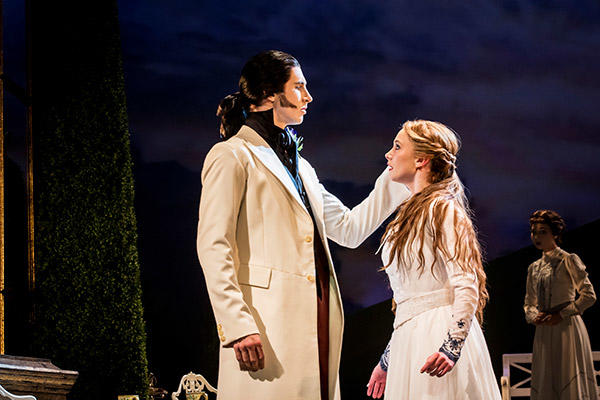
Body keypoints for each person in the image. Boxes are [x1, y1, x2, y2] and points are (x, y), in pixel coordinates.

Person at [196, 50, 409, 400]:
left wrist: (400, 174)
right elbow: (213, 245)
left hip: (315, 318)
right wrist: (236, 324)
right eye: (299, 87)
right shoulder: (231, 155)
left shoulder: (302, 167)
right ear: (268, 94)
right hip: (265, 322)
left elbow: (349, 229)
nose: (308, 97)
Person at [366, 120, 501, 399]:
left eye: (397, 146)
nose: (388, 155)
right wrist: (387, 360)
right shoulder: (405, 217)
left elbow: (466, 284)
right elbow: (410, 300)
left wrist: (451, 347)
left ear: (421, 159)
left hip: (437, 333)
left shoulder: (444, 210)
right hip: (410, 337)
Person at [524, 210, 597, 400]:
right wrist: (534, 316)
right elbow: (529, 303)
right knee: (546, 379)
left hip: (567, 328)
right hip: (544, 330)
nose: (537, 236)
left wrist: (562, 314)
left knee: (568, 375)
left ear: (555, 234)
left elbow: (589, 295)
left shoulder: (568, 260)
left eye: (543, 232)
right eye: (534, 232)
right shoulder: (534, 268)